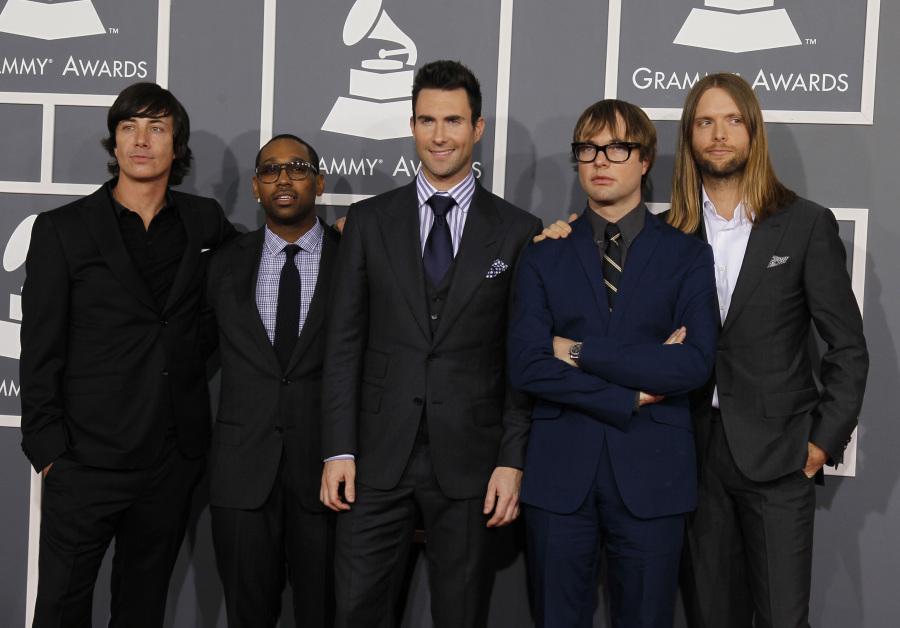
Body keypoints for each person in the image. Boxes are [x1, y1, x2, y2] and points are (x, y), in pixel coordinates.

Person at [319, 59, 541, 628]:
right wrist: (339, 449)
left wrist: (511, 459)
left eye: (453, 121)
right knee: (355, 610)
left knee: (460, 614)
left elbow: (521, 360)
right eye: (426, 120)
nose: (439, 136)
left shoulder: (518, 230)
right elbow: (343, 345)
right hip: (374, 455)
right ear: (411, 125)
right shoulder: (368, 221)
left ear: (478, 128)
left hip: (471, 458)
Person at [20, 82, 235, 628]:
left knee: (141, 610)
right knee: (60, 610)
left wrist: (333, 235)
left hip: (169, 460)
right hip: (84, 461)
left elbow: (253, 269)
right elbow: (40, 348)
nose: (141, 140)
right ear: (114, 143)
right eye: (129, 127)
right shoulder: (61, 230)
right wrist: (50, 452)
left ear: (176, 145)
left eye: (156, 128)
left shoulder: (204, 221)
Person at [507, 99, 719, 628]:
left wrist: (577, 351)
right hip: (559, 476)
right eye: (588, 149)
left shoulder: (689, 255)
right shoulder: (541, 253)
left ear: (644, 160)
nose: (600, 160)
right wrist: (628, 393)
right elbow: (528, 365)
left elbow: (691, 364)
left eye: (617, 148)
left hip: (654, 476)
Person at [671, 73, 869, 628]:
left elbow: (848, 347)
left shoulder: (805, 225)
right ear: (689, 137)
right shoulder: (668, 233)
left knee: (784, 620)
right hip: (692, 457)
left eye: (732, 120)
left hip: (781, 460)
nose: (718, 134)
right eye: (705, 122)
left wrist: (820, 442)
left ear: (753, 133)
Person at [206, 134, 338, 627]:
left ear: (319, 183)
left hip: (329, 480)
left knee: (325, 615)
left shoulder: (357, 261)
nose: (283, 179)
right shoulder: (222, 264)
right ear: (256, 189)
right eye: (269, 170)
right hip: (242, 479)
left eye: (297, 168)